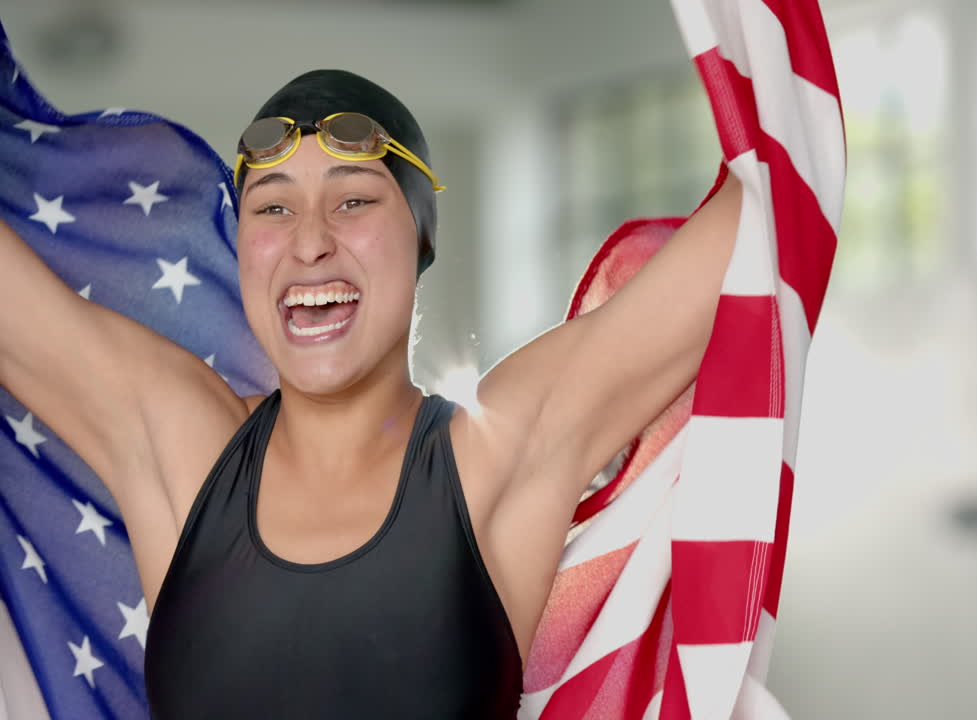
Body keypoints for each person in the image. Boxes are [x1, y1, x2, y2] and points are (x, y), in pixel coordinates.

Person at [0, 67, 742, 717]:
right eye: (273, 206)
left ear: (421, 235)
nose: (310, 240)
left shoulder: (492, 458)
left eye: (353, 201)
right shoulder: (182, 450)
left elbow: (766, 214)